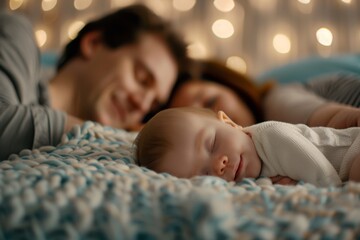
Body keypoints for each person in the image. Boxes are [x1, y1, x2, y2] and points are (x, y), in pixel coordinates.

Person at [0, 4, 188, 160]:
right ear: (93, 43)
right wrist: (106, 137)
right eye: (141, 78)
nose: (141, 105)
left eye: (153, 104)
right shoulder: (17, 34)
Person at [135, 107, 360, 187]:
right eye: (203, 174)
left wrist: (336, 194)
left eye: (212, 144)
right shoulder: (250, 184)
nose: (218, 165)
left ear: (230, 123)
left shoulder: (271, 136)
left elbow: (319, 169)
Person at [167, 59, 360, 129]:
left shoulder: (276, 103)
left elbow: (345, 120)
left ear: (234, 88)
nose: (216, 119)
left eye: (211, 102)